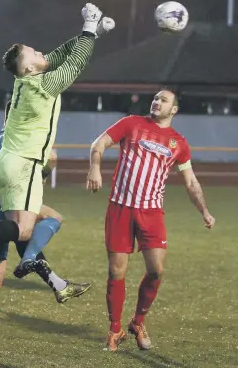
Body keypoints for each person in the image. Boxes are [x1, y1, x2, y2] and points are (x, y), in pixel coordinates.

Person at [0, 4, 115, 276]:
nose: (39, 53)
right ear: (27, 66)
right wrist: (88, 29)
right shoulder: (42, 85)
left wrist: (93, 34)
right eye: (33, 53)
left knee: (26, 228)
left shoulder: (25, 80)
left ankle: (22, 259)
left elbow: (58, 56)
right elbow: (75, 63)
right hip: (23, 166)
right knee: (23, 230)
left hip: (10, 162)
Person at [86, 88, 216, 352]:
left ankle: (137, 322)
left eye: (164, 100)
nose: (157, 102)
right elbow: (98, 144)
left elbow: (190, 181)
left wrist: (204, 210)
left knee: (156, 270)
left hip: (151, 212)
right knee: (116, 271)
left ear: (174, 110)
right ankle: (114, 330)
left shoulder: (178, 142)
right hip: (120, 207)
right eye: (156, 98)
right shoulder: (131, 123)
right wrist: (95, 168)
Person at [0, 111, 91, 356]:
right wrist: (42, 173)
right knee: (51, 219)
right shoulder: (25, 136)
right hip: (7, 204)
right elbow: (49, 160)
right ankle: (35, 266)